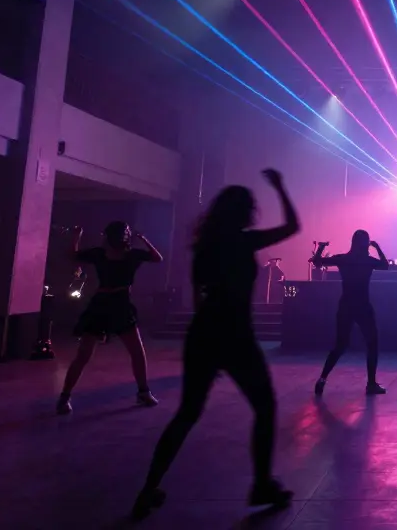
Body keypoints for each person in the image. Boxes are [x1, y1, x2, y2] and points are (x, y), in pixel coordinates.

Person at [133, 169, 300, 520]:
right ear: (244, 212)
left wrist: (208, 341)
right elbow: (291, 228)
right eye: (252, 207)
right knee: (265, 407)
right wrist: (281, 187)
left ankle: (148, 488)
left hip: (204, 332)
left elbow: (197, 297)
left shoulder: (205, 246)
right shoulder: (243, 241)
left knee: (187, 413)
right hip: (235, 333)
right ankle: (262, 484)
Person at [57, 221, 163, 414]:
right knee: (87, 354)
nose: (128, 235)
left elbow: (158, 258)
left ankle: (143, 392)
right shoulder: (117, 254)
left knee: (133, 352)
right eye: (127, 233)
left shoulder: (118, 254)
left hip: (112, 304)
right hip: (109, 304)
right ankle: (65, 397)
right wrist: (143, 239)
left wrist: (77, 235)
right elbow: (158, 258)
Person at [311, 230, 390, 395]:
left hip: (346, 305)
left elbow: (317, 262)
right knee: (372, 343)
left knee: (340, 345)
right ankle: (371, 384)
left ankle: (322, 378)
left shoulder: (344, 259)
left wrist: (321, 248)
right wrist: (378, 248)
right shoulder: (367, 261)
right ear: (366, 243)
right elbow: (385, 265)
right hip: (363, 306)